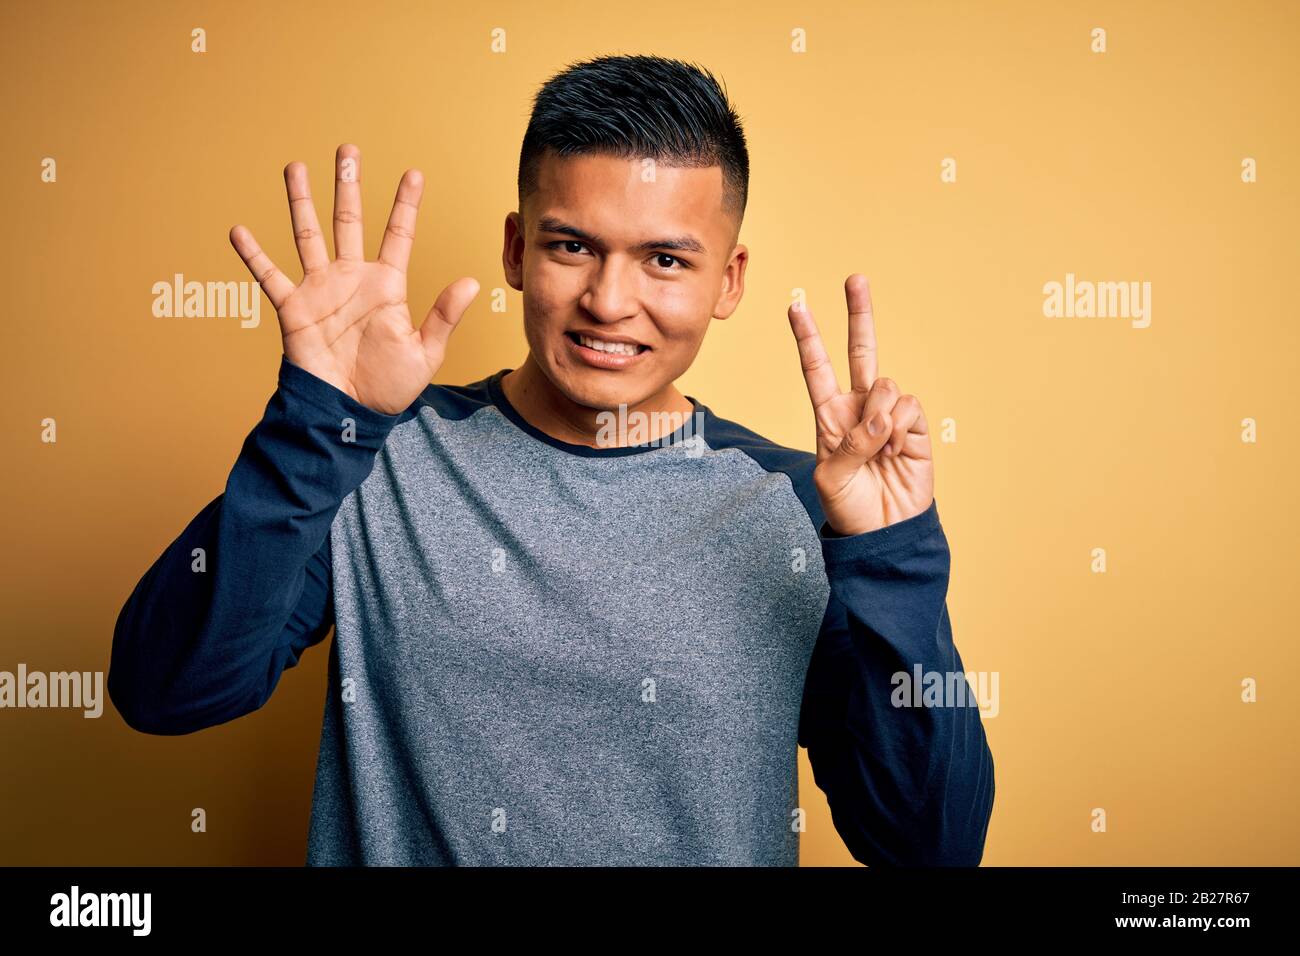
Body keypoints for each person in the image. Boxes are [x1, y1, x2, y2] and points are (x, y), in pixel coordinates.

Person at [109, 54, 994, 866]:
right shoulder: (377, 456)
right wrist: (317, 426)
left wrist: (894, 565)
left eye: (665, 259)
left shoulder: (801, 509)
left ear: (728, 281)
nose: (610, 302)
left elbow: (931, 844)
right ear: (515, 252)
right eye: (572, 246)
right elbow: (169, 690)